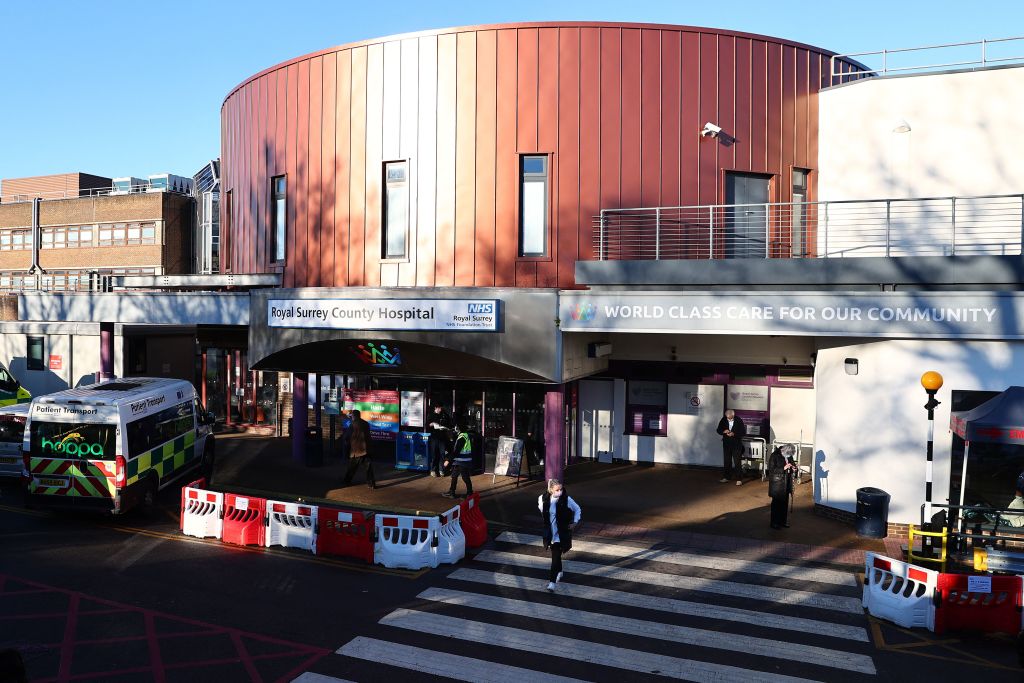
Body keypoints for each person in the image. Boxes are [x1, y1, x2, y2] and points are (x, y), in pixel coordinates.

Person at [538, 479, 582, 592]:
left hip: (561, 533)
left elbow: (577, 509)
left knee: (555, 557)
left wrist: (575, 522)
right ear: (551, 489)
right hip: (550, 533)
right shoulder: (543, 499)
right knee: (556, 555)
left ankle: (552, 583)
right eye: (557, 490)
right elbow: (542, 510)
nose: (560, 491)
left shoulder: (567, 499)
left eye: (561, 489)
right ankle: (560, 572)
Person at [341, 409, 375, 490]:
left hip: (357, 450)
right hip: (365, 449)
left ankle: (346, 481)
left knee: (352, 467)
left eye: (352, 416)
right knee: (368, 468)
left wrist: (346, 442)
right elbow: (368, 436)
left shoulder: (352, 425)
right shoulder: (365, 423)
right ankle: (371, 484)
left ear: (354, 416)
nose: (351, 417)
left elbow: (347, 436)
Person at [767, 444, 797, 529]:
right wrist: (783, 468)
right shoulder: (774, 455)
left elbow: (792, 464)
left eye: (790, 455)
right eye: (788, 454)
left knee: (784, 504)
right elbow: (771, 470)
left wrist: (794, 468)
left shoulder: (789, 455)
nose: (789, 456)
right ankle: (774, 523)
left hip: (786, 482)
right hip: (777, 484)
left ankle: (783, 521)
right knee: (776, 504)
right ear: (784, 451)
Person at [716, 409, 747, 485]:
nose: (728, 419)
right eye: (727, 418)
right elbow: (718, 430)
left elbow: (743, 432)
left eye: (730, 418)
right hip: (726, 444)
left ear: (733, 415)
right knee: (727, 461)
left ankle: (739, 479)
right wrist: (724, 431)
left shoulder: (738, 420)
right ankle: (726, 477)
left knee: (737, 462)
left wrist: (734, 434)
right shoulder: (723, 419)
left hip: (736, 444)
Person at [442, 425, 474, 498]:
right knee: (455, 475)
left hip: (462, 461)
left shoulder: (462, 437)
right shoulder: (465, 435)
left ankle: (469, 492)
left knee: (464, 476)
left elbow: (456, 451)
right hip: (462, 460)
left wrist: (448, 461)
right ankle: (452, 491)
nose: (455, 429)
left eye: (456, 427)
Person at [427, 403, 453, 477]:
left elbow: (449, 424)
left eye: (441, 408)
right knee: (434, 454)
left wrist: (446, 428)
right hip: (434, 438)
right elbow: (427, 425)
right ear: (435, 408)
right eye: (439, 408)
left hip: (442, 438)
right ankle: (433, 470)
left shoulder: (444, 415)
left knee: (442, 454)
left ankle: (441, 470)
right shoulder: (431, 415)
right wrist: (432, 424)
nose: (440, 410)